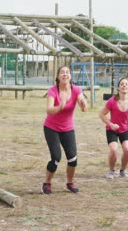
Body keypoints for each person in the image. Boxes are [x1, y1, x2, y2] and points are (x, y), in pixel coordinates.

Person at [42, 66, 87, 195]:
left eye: (67, 72)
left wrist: (83, 103)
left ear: (70, 76)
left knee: (73, 159)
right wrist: (60, 105)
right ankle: (47, 183)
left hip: (67, 128)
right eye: (62, 72)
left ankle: (69, 183)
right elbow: (49, 110)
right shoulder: (52, 91)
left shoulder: (76, 89)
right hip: (51, 128)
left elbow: (84, 107)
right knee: (56, 157)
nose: (65, 74)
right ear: (58, 77)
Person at [99, 77, 128, 180]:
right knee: (114, 149)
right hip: (112, 130)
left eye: (126, 84)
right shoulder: (112, 101)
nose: (124, 85)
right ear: (118, 88)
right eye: (122, 84)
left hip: (125, 129)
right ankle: (111, 171)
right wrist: (111, 124)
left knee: (127, 150)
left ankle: (122, 171)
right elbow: (102, 114)